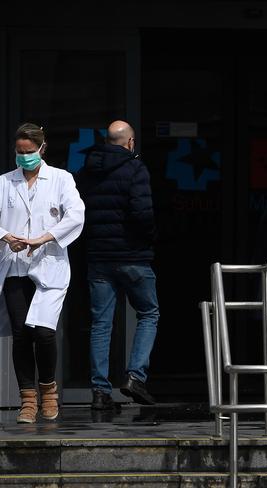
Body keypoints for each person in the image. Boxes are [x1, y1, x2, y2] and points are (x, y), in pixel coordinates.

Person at [1, 123, 85, 423]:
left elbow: (76, 216)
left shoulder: (61, 179)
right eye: (19, 152)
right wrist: (6, 236)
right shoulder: (4, 182)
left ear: (42, 148)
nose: (24, 158)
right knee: (22, 333)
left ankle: (49, 392)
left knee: (45, 332)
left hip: (49, 265)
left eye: (29, 152)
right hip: (14, 266)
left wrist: (42, 238)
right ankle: (27, 399)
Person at [76, 120, 159, 409]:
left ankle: (100, 392)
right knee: (149, 313)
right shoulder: (136, 169)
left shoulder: (88, 171)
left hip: (99, 257)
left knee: (101, 323)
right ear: (130, 143)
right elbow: (143, 214)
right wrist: (148, 240)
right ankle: (135, 376)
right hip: (133, 257)